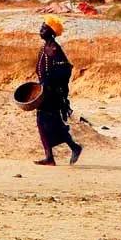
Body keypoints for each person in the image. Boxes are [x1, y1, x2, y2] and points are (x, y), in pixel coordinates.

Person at [33, 16, 82, 166]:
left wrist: (52, 84)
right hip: (45, 92)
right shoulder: (44, 48)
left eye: (44, 27)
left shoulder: (55, 49)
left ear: (51, 32)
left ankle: (73, 147)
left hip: (53, 94)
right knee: (43, 122)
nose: (41, 30)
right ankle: (50, 157)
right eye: (41, 26)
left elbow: (65, 70)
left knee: (50, 122)